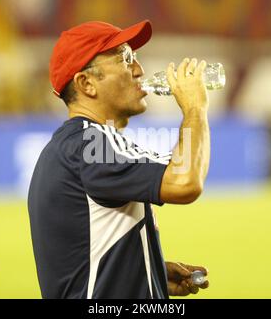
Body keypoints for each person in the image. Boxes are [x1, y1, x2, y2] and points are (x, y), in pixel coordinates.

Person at [28, 20, 211, 299]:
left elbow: (79, 262)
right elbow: (185, 182)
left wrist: (148, 271)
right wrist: (195, 107)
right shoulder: (91, 145)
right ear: (86, 83)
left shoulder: (73, 145)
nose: (139, 70)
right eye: (126, 59)